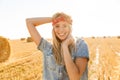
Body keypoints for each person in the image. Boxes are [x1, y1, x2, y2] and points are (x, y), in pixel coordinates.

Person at [26, 12, 89, 80]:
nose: (61, 30)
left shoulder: (80, 45)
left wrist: (64, 46)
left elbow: (75, 78)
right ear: (53, 29)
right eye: (57, 26)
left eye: (65, 25)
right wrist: (52, 19)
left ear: (70, 27)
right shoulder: (48, 48)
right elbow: (29, 22)